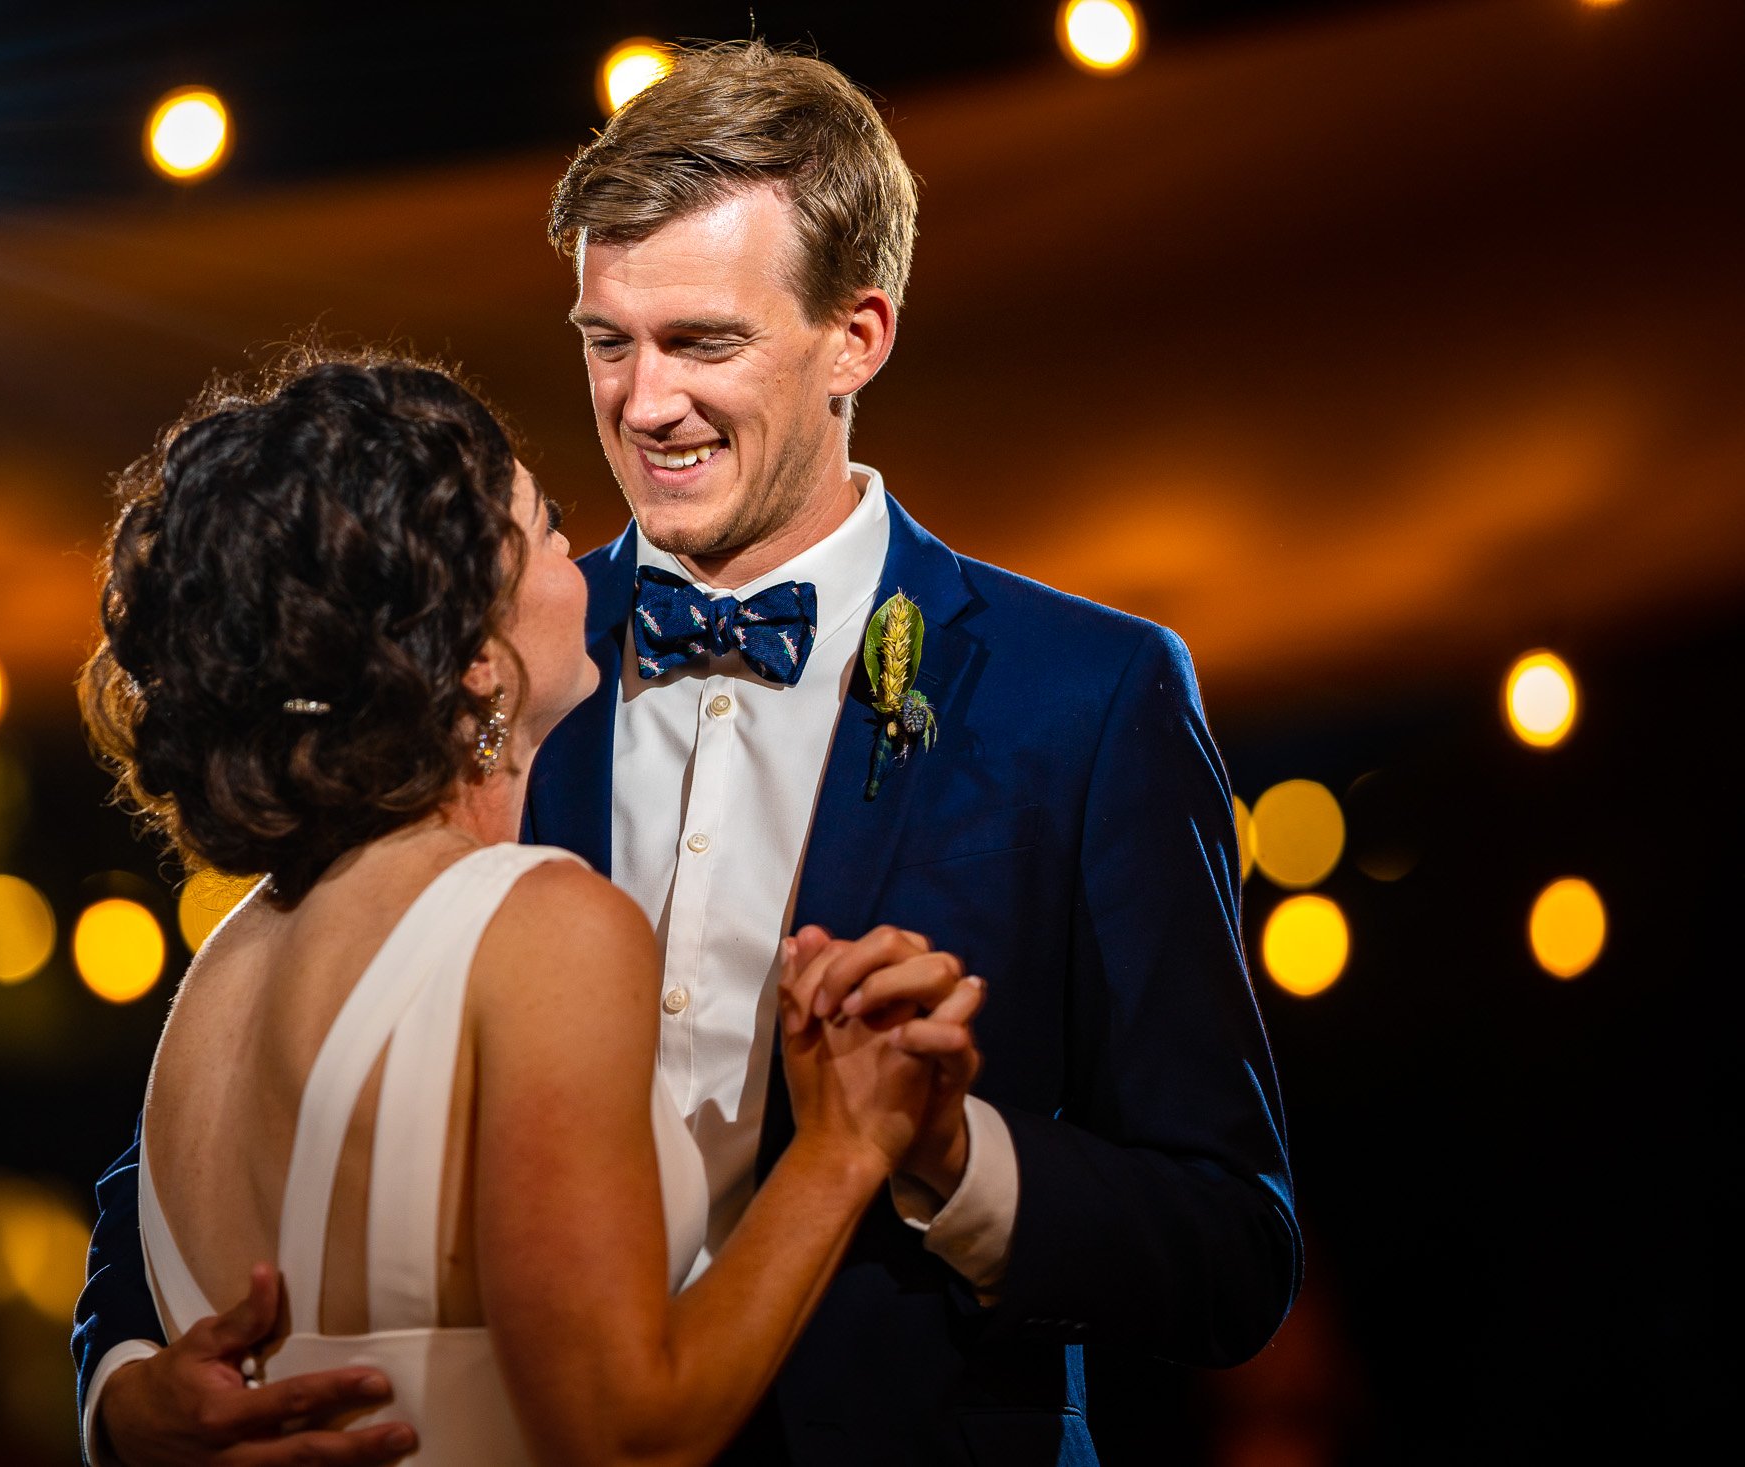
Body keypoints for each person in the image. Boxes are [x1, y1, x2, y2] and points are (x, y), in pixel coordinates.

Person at [76, 40, 1300, 1467]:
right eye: (608, 339)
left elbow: (1232, 1245)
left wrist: (952, 1157)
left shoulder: (1082, 696)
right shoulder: (486, 654)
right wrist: (120, 1392)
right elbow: (230, 1121)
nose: (643, 401)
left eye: (701, 342)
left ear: (858, 333)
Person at [77, 352, 983, 1467]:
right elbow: (623, 1437)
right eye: (543, 523)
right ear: (474, 662)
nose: (580, 551)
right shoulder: (541, 924)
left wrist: (115, 1402)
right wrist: (846, 1144)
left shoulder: (222, 965)